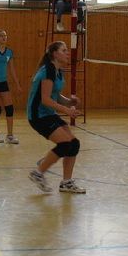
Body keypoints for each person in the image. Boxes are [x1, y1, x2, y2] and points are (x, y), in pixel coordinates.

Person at [27, 41, 86, 194]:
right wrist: (67, 110)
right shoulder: (48, 71)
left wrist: (69, 102)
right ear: (54, 54)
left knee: (74, 144)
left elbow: (55, 95)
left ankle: (66, 183)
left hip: (48, 114)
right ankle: (38, 173)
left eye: (67, 50)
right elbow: (46, 99)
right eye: (64, 50)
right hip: (38, 116)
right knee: (65, 144)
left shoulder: (58, 70)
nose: (67, 53)